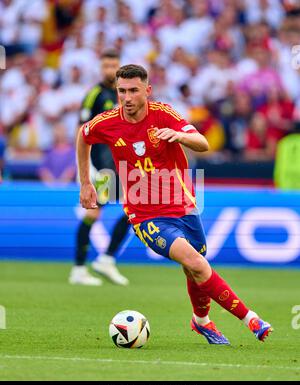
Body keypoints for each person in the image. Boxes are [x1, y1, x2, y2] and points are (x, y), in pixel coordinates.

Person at [77, 64, 273, 344]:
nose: (127, 97)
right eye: (122, 91)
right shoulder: (107, 122)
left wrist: (180, 136)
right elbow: (83, 137)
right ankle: (251, 319)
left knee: (194, 268)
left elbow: (203, 143)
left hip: (183, 205)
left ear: (148, 90)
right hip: (145, 215)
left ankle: (201, 321)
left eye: (134, 90)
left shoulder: (164, 114)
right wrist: (86, 182)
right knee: (196, 262)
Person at [69, 49, 129, 287]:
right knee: (105, 211)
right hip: (101, 166)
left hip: (119, 163)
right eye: (106, 66)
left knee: (131, 209)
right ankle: (83, 266)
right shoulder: (94, 94)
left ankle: (99, 261)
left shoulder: (124, 95)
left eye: (113, 65)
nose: (109, 70)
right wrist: (85, 169)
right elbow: (81, 131)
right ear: (100, 68)